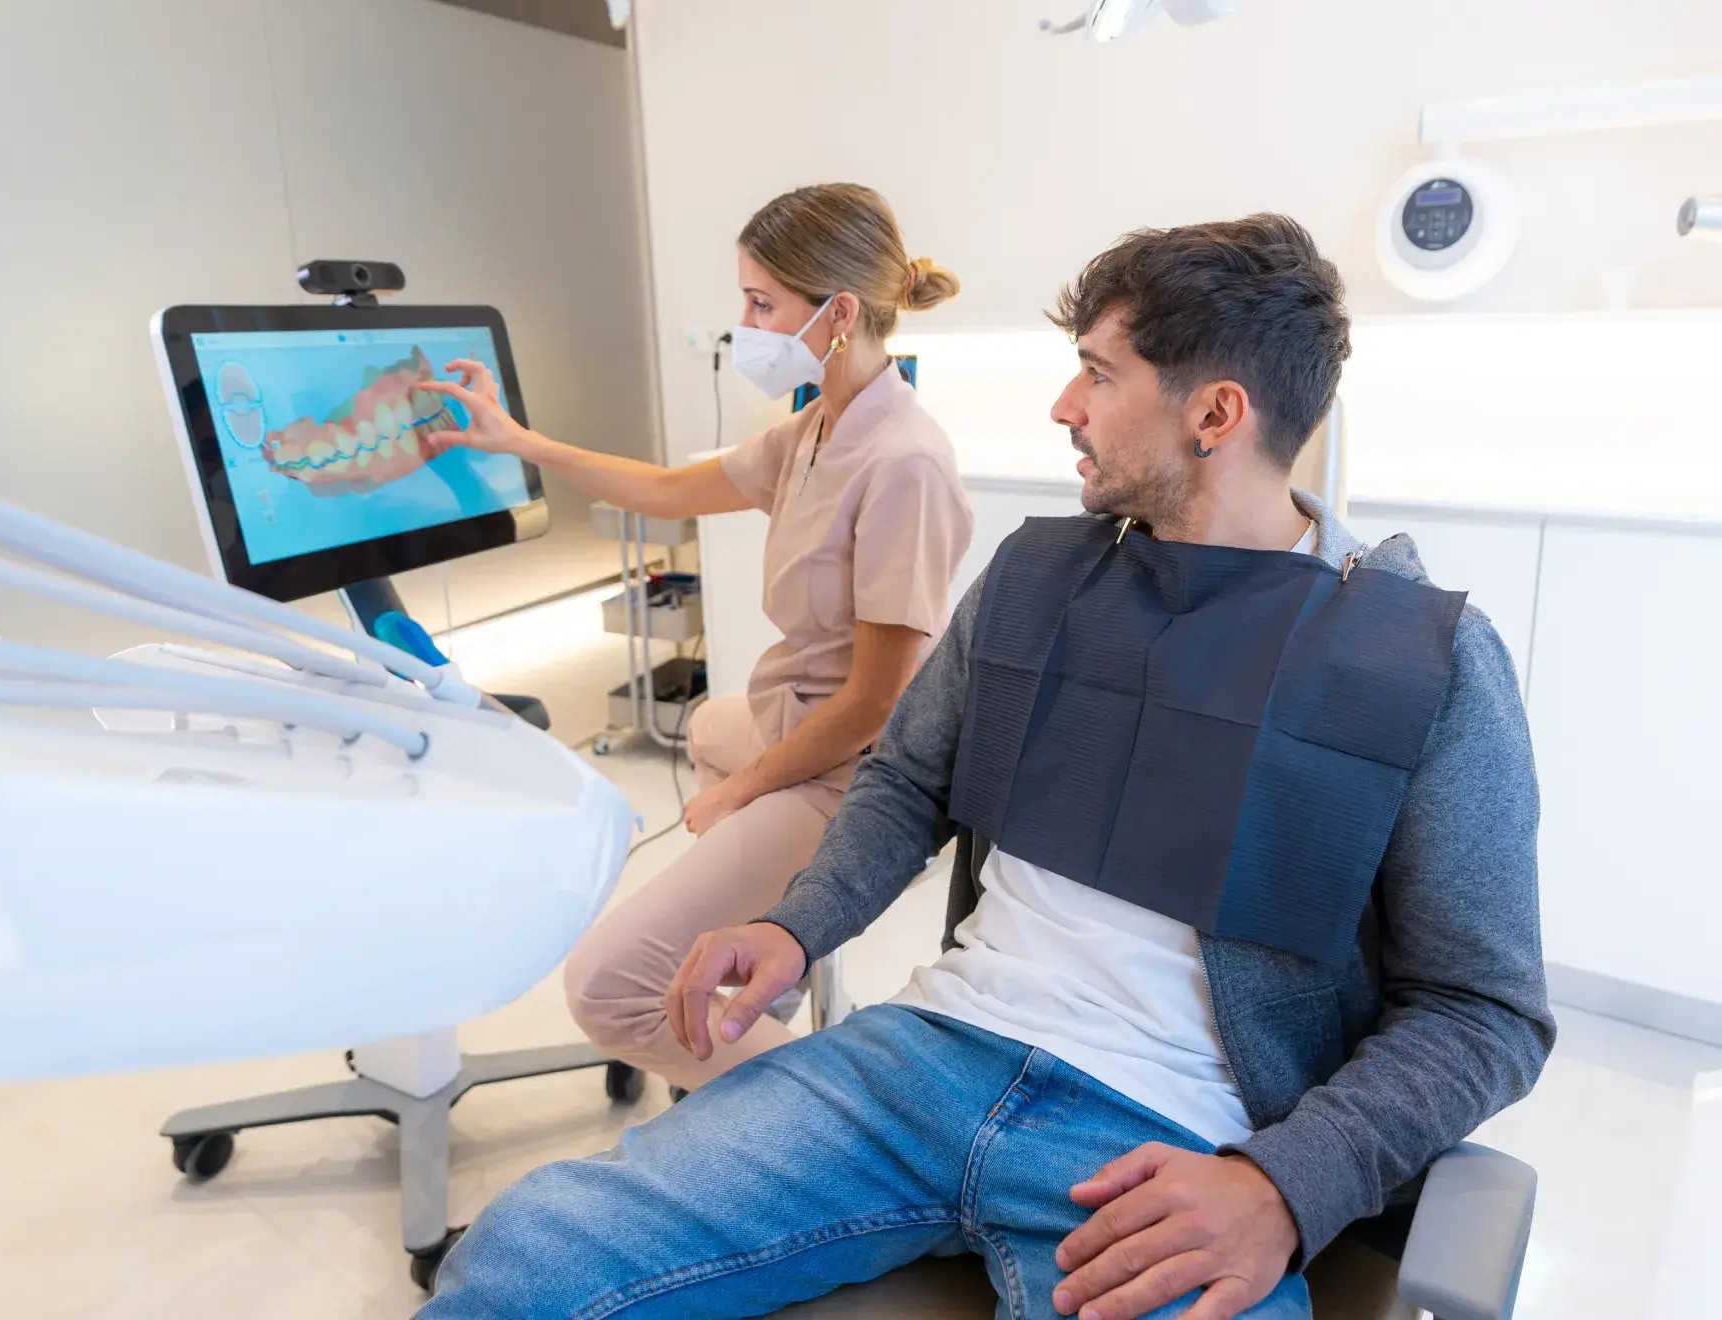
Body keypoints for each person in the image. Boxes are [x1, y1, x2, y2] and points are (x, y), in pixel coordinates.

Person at [418, 215, 1555, 1320]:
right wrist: (795, 926)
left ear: (1215, 412)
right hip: (918, 1066)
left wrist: (1282, 1182)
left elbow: (1481, 1011)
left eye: (1096, 377)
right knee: (525, 1256)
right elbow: (905, 781)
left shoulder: (1422, 661)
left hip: (1170, 1137)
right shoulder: (1033, 579)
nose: (1063, 406)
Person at [420, 183, 973, 1093]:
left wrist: (749, 791)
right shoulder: (817, 425)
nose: (744, 323)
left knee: (607, 989)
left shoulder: (904, 464)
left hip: (853, 769)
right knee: (711, 726)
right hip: (790, 721)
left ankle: (832, 1112)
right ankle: (762, 987)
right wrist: (519, 441)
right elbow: (672, 489)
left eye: (761, 303)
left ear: (836, 314)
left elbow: (877, 700)